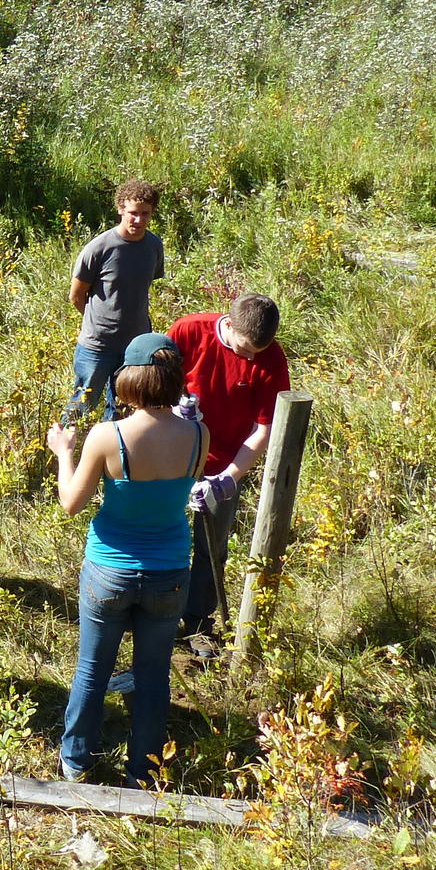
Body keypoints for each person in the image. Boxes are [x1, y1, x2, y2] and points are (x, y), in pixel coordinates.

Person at [46, 332, 206, 786]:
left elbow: (70, 503)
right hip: (170, 572)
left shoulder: (107, 435)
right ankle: (144, 771)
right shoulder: (198, 433)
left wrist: (64, 452)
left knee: (92, 669)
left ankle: (77, 762)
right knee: (153, 676)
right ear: (175, 380)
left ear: (127, 379)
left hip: (109, 570)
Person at [168, 294, 291, 649]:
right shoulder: (188, 331)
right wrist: (174, 409)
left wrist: (228, 478)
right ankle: (154, 610)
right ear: (229, 325)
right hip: (174, 455)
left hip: (223, 464)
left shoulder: (271, 357)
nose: (252, 357)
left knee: (211, 547)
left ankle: (197, 622)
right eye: (245, 348)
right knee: (162, 533)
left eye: (259, 350)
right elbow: (154, 381)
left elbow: (264, 428)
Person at [66, 180, 165, 422]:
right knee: (81, 406)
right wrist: (100, 322)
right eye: (133, 213)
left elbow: (142, 286)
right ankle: (66, 450)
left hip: (136, 345)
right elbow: (76, 296)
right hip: (97, 346)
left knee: (124, 410)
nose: (139, 220)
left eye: (145, 214)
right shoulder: (98, 248)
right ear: (120, 208)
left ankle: (112, 457)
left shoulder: (153, 245)